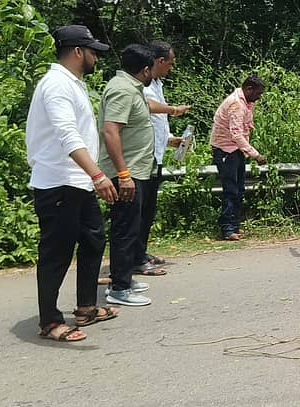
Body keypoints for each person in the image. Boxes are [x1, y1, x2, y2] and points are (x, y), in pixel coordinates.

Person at [25, 25, 119, 341]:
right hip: (58, 182)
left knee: (94, 239)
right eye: (93, 51)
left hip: (76, 181)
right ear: (78, 52)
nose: (96, 57)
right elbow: (68, 136)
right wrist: (98, 174)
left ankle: (85, 307)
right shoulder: (55, 85)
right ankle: (50, 322)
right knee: (57, 251)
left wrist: (90, 177)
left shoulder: (72, 83)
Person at [98, 43, 157, 306]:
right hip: (127, 173)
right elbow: (110, 131)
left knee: (131, 228)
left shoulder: (131, 88)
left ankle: (126, 279)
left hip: (137, 171)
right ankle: (119, 288)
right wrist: (123, 174)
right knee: (124, 229)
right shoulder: (122, 90)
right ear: (145, 70)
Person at [137, 40, 191, 274]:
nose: (171, 68)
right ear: (159, 61)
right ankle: (134, 258)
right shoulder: (143, 83)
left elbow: (157, 121)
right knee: (138, 212)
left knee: (148, 211)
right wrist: (173, 109)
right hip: (143, 156)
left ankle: (141, 251)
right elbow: (146, 105)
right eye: (170, 64)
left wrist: (171, 139)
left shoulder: (156, 83)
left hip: (156, 154)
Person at [211, 74, 267, 241]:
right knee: (231, 189)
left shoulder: (246, 102)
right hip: (226, 150)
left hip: (236, 150)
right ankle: (227, 228)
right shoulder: (236, 104)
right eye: (258, 93)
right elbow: (236, 134)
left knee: (239, 189)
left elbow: (244, 129)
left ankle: (234, 225)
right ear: (248, 89)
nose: (259, 97)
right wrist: (255, 155)